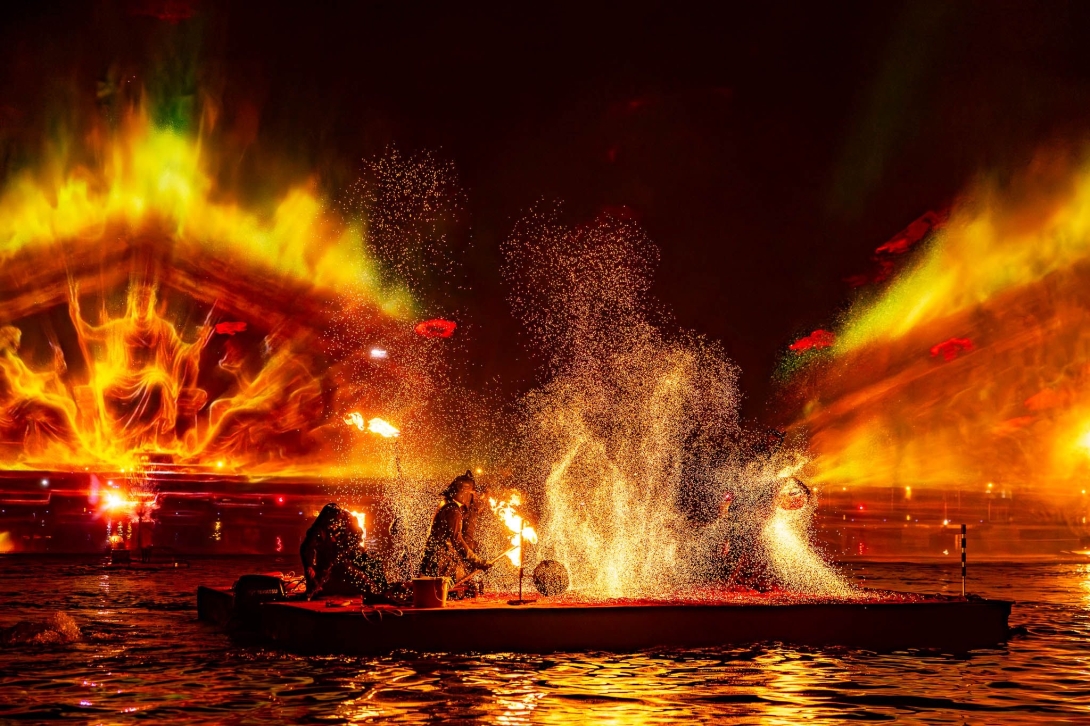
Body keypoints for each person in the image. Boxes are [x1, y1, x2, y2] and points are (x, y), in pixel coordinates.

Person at [300, 503, 387, 600]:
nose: (334, 523)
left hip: (348, 555)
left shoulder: (346, 519)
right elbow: (306, 548)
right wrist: (309, 565)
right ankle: (372, 590)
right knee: (356, 576)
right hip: (332, 564)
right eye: (331, 521)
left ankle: (384, 589)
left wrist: (347, 547)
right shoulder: (318, 530)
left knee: (374, 562)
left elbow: (357, 537)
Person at [418, 471, 493, 584]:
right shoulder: (453, 510)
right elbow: (457, 541)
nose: (472, 498)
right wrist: (477, 561)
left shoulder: (446, 503)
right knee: (466, 582)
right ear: (463, 491)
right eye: (471, 493)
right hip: (440, 561)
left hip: (435, 557)